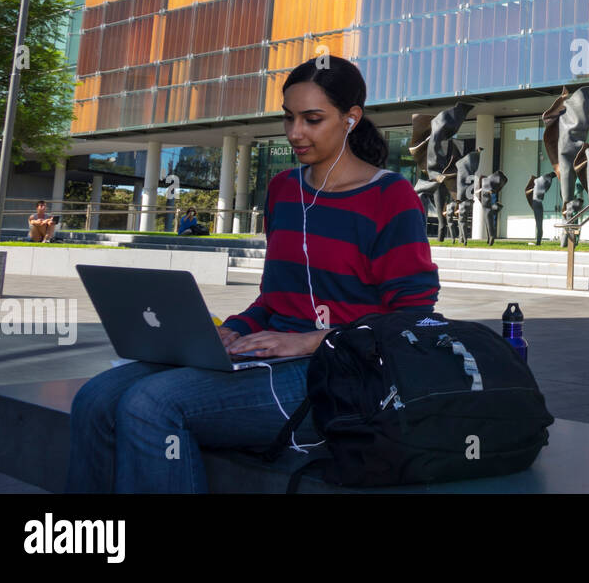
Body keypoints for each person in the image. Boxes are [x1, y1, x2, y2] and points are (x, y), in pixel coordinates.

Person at [66, 56, 440, 493]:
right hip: (266, 357)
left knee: (152, 404)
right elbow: (274, 299)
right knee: (94, 399)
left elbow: (413, 317)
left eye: (312, 119)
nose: (295, 132)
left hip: (341, 378)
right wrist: (232, 332)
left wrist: (310, 340)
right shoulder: (282, 191)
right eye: (289, 118)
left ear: (351, 119)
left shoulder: (390, 196)